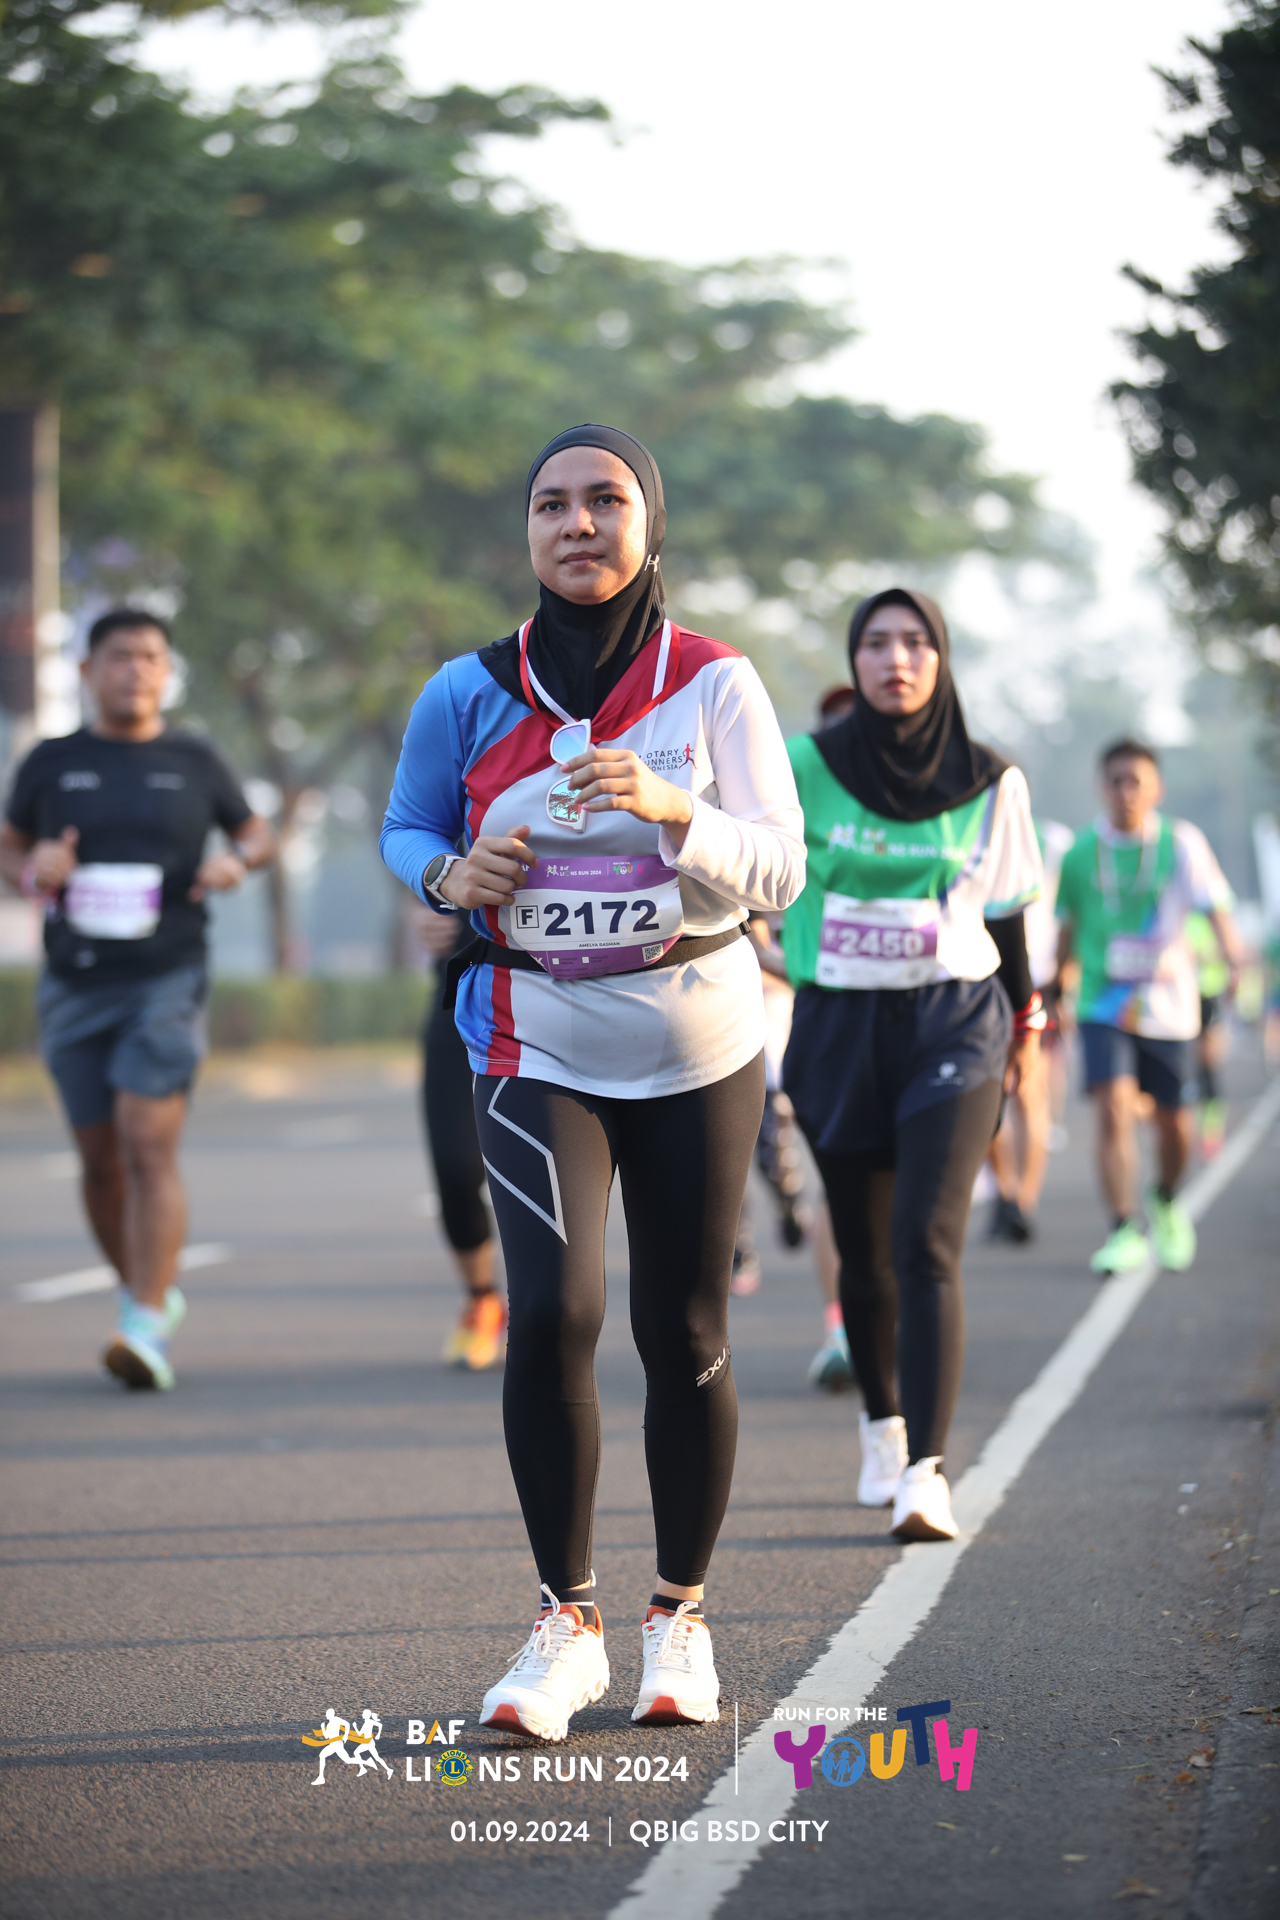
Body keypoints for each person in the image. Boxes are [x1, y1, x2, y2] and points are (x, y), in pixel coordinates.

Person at [381, 424, 804, 1740]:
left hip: (695, 1043)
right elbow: (407, 825)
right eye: (551, 504)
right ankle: (566, 1627)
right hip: (531, 1036)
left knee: (681, 1329)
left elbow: (783, 869)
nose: (577, 523)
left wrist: (679, 814)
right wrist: (448, 875)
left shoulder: (713, 683)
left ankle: (680, 1617)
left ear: (647, 524)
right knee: (554, 1313)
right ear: (526, 532)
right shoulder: (466, 690)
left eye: (604, 501)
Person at [782, 588, 1044, 1542]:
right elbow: (749, 870)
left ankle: (927, 1472)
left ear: (942, 658)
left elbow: (1007, 913)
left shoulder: (991, 779)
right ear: (854, 660)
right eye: (878, 643)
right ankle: (882, 1426)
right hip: (837, 1023)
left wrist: (1026, 1017)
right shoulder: (801, 766)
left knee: (926, 1241)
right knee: (864, 1251)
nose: (897, 659)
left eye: (917, 642)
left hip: (954, 1022)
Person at [0, 610, 275, 1391]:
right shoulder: (52, 761)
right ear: (87, 671)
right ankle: (142, 1292)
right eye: (120, 656)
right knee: (98, 1159)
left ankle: (145, 1323)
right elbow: (9, 846)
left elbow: (256, 834)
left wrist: (236, 863)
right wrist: (34, 867)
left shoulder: (195, 758)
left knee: (145, 1142)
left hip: (167, 975)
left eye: (151, 657)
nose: (137, 670)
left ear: (166, 672)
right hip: (74, 981)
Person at [1054, 739, 1243, 1275]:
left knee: (1175, 1124)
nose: (1125, 791)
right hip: (1103, 1004)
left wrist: (1234, 962)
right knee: (1113, 1108)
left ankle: (1165, 1197)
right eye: (1115, 780)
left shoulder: (1182, 844)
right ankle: (1122, 1227)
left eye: (1136, 781)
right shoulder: (1079, 853)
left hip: (1170, 1007)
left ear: (1157, 787)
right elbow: (1067, 926)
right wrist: (1056, 988)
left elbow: (1217, 910)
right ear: (1101, 786)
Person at [414, 906, 506, 1369]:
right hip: (463, 994)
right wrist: (421, 907)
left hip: (568, 997)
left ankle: (557, 1309)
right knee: (455, 1168)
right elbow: (418, 867)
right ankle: (481, 1299)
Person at [987, 817, 1073, 1243]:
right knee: (985, 1095)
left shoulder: (1055, 841)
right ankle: (1004, 1193)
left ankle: (1024, 1200)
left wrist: (1066, 979)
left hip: (1035, 982)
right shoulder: (966, 826)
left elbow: (1070, 912)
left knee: (1028, 1094)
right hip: (980, 979)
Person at [1184, 909, 1231, 1159]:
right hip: (1180, 998)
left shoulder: (1210, 913)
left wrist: (1209, 955)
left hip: (1208, 995)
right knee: (1184, 1067)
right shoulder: (1178, 911)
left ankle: (1211, 1127)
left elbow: (1228, 949)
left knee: (1208, 1066)